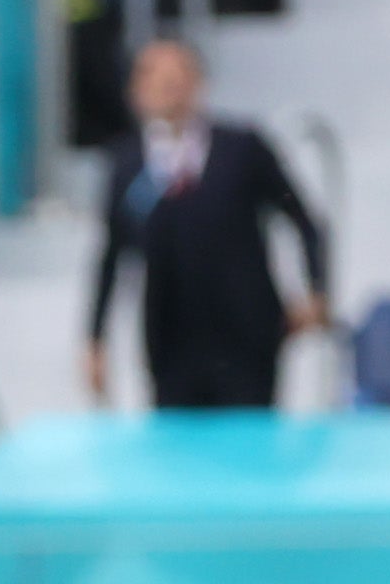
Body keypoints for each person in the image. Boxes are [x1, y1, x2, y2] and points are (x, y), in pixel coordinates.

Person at [87, 37, 335, 410]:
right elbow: (111, 255)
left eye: (179, 74)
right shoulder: (128, 164)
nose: (169, 85)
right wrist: (95, 339)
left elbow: (303, 218)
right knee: (178, 446)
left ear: (198, 82)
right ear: (136, 91)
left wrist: (315, 290)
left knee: (248, 443)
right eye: (155, 76)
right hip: (170, 335)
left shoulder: (241, 148)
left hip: (247, 331)